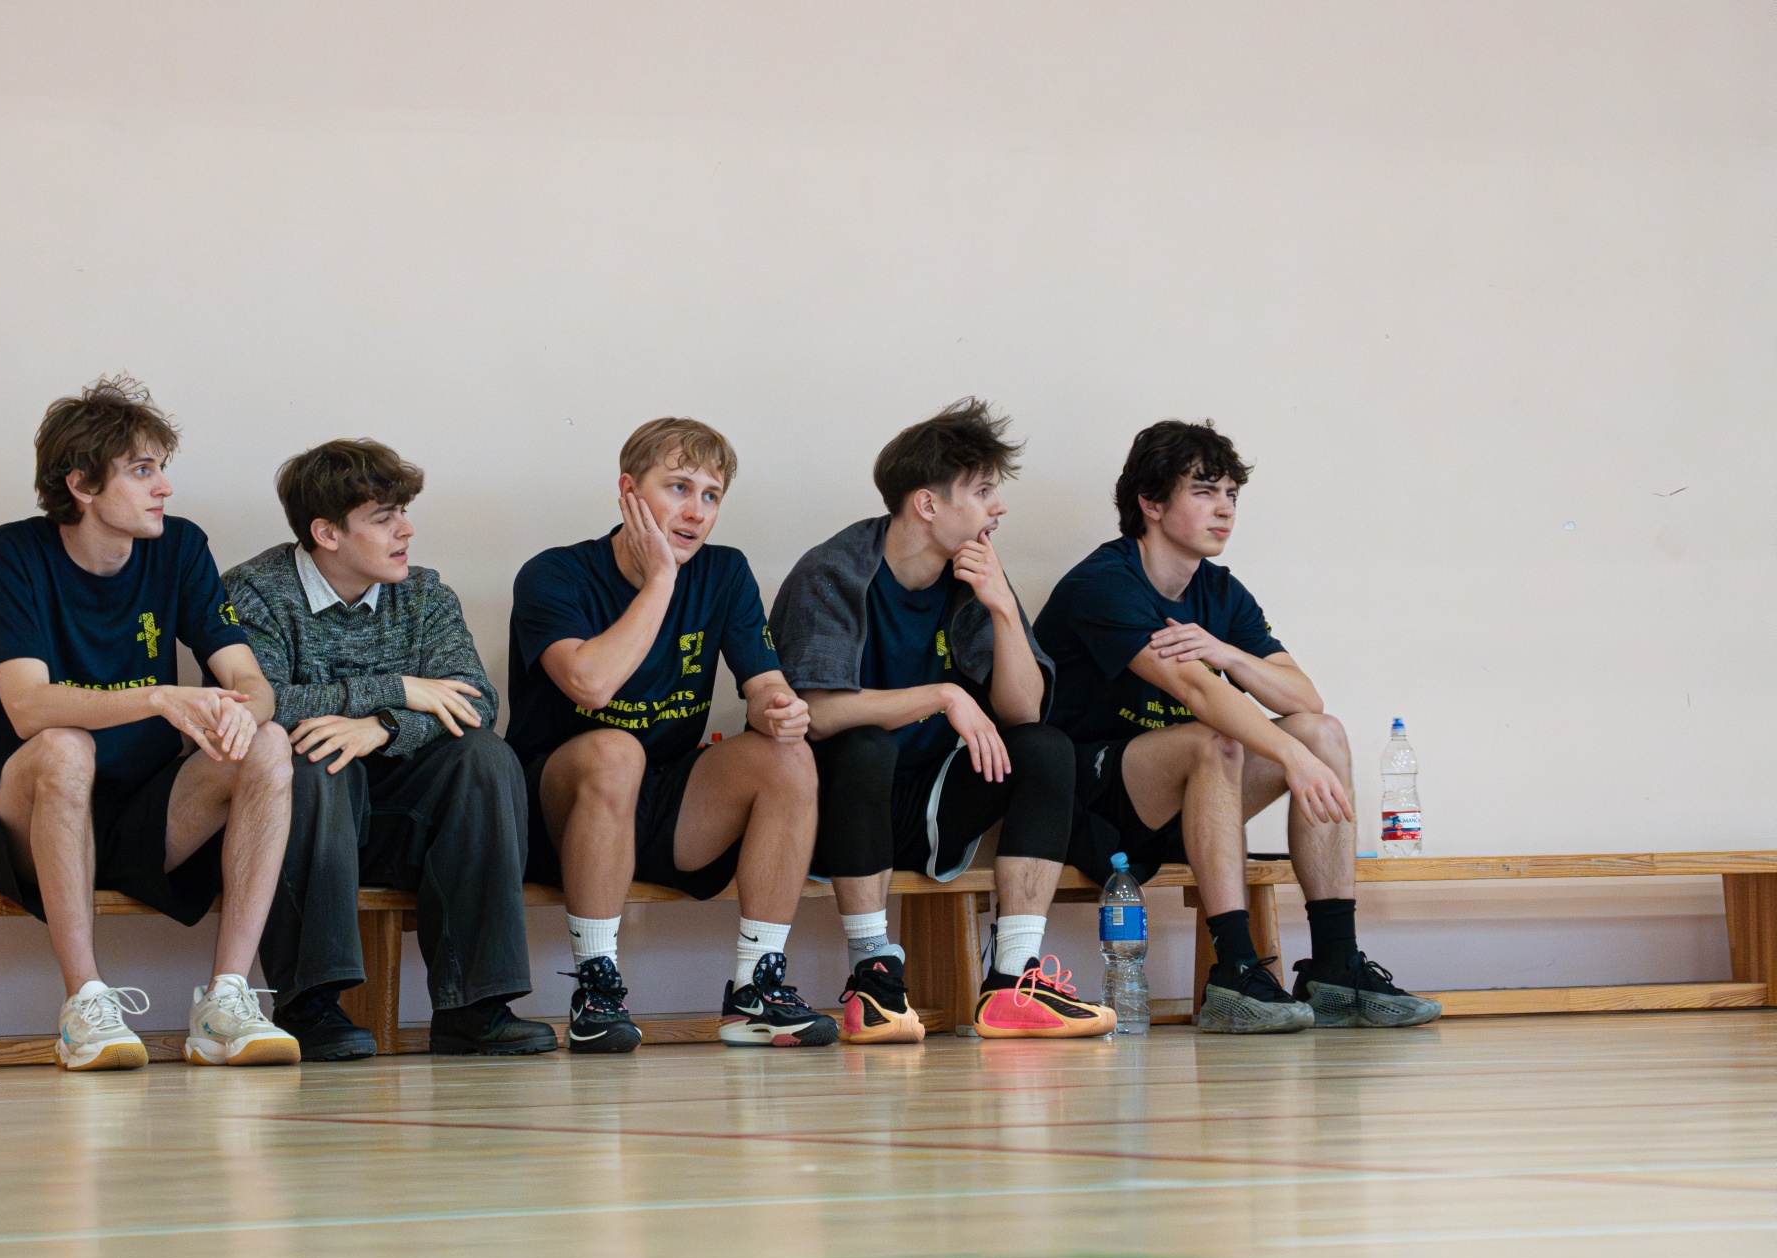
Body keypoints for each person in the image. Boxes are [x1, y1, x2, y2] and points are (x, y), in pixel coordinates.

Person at [1032, 420, 1441, 1032]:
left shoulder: (1220, 593)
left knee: (1323, 733)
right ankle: (1235, 970)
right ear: (1151, 504)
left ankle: (1335, 966)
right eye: (1204, 492)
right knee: (1218, 740)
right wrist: (1290, 758)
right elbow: (1195, 690)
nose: (1224, 510)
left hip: (1193, 805)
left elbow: (1303, 695)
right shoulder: (1104, 583)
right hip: (1093, 810)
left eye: (1230, 495)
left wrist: (1228, 653)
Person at [0, 376, 299, 1071]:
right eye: (141, 471)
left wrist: (241, 717)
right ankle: (84, 1005)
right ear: (80, 485)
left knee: (269, 742)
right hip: (23, 819)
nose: (163, 487)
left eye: (161, 468)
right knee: (64, 749)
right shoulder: (11, 553)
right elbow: (27, 706)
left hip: (141, 820)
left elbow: (251, 683)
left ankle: (226, 1002)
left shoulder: (181, 547)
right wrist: (160, 698)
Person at [773, 399, 1114, 1043]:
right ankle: (872, 977)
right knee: (865, 744)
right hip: (835, 812)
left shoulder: (974, 574)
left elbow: (1022, 713)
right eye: (983, 492)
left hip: (928, 806)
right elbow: (816, 716)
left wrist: (1003, 608)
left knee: (1046, 747)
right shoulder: (834, 570)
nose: (998, 507)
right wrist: (943, 696)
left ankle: (1013, 980)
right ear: (927, 505)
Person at [223, 439, 557, 1060]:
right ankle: (309, 1005)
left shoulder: (425, 593)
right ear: (327, 532)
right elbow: (257, 704)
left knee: (485, 757)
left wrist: (381, 727)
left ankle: (474, 1008)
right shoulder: (254, 591)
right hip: (308, 817)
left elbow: (476, 700)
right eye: (383, 518)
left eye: (402, 512)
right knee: (314, 757)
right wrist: (399, 689)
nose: (406, 529)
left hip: (408, 815)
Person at [505, 417, 828, 1052]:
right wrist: (660, 581)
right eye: (678, 487)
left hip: (665, 807)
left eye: (711, 495)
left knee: (789, 757)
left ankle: (756, 991)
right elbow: (590, 684)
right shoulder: (553, 572)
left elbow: (763, 682)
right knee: (615, 749)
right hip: (559, 811)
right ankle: (596, 990)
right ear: (628, 491)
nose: (696, 511)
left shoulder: (725, 571)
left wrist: (778, 708)